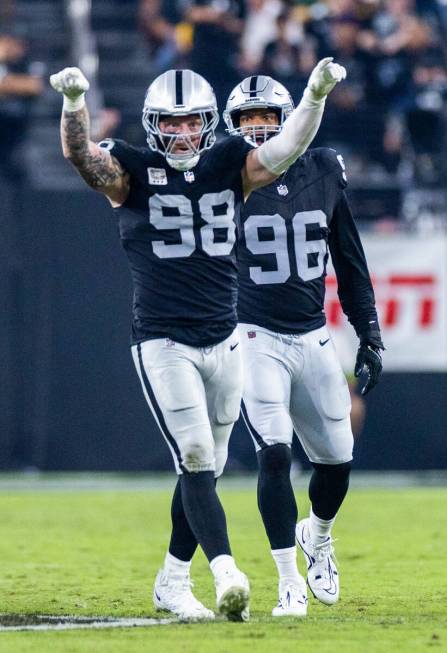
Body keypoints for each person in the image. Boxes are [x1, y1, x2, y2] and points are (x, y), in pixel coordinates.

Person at [50, 59, 346, 621]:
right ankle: (225, 570)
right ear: (152, 123)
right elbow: (83, 160)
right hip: (163, 341)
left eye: (192, 123)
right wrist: (73, 106)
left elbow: (284, 148)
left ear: (209, 123)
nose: (182, 133)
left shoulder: (228, 164)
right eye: (171, 122)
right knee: (195, 460)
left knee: (204, 463)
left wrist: (315, 94)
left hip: (225, 338)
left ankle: (171, 580)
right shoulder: (133, 169)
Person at [223, 75, 384, 616]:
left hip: (312, 331)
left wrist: (370, 333)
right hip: (253, 334)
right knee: (274, 454)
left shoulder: (323, 169)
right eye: (247, 119)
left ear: (292, 118)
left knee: (338, 462)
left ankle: (316, 535)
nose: (258, 126)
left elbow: (350, 258)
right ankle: (288, 581)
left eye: (267, 115)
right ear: (232, 126)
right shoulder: (226, 180)